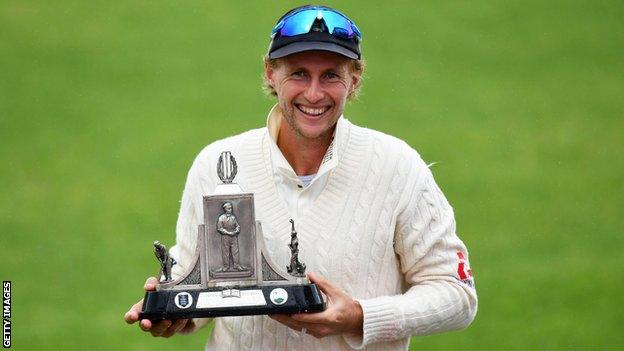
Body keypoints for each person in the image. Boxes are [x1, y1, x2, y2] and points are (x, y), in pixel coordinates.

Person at [124, 5, 477, 350]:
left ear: (354, 80)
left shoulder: (398, 166)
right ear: (270, 73)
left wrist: (360, 316)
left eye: (330, 76)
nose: (313, 94)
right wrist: (174, 314)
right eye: (298, 74)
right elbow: (202, 280)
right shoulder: (215, 162)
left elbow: (457, 294)